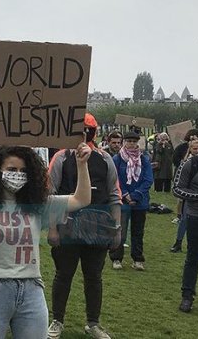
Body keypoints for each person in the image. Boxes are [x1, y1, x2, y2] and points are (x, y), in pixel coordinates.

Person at [0, 126, 92, 338]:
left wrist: (82, 164)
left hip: (31, 289)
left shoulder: (37, 204)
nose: (18, 176)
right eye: (11, 170)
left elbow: (81, 199)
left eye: (23, 172)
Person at [47, 113, 122, 339]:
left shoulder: (105, 158)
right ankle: (57, 320)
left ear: (93, 132)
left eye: (86, 130)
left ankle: (93, 323)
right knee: (63, 275)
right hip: (67, 226)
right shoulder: (61, 157)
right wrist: (52, 228)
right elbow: (50, 194)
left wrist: (116, 229)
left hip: (98, 228)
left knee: (94, 277)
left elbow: (114, 195)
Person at [110, 131, 154, 271]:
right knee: (120, 231)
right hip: (123, 200)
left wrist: (136, 195)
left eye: (134, 142)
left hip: (140, 201)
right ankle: (116, 258)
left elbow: (148, 179)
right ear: (124, 142)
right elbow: (115, 178)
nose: (131, 144)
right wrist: (126, 194)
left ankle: (137, 259)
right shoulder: (117, 159)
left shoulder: (144, 159)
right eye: (129, 141)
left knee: (138, 232)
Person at [173, 140, 198, 313]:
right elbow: (177, 189)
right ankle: (187, 296)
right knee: (194, 258)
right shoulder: (191, 163)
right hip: (197, 217)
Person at [171, 140, 198, 252]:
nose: (197, 151)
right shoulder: (188, 162)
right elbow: (178, 186)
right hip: (189, 197)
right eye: (194, 149)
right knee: (184, 220)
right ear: (190, 149)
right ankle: (178, 242)